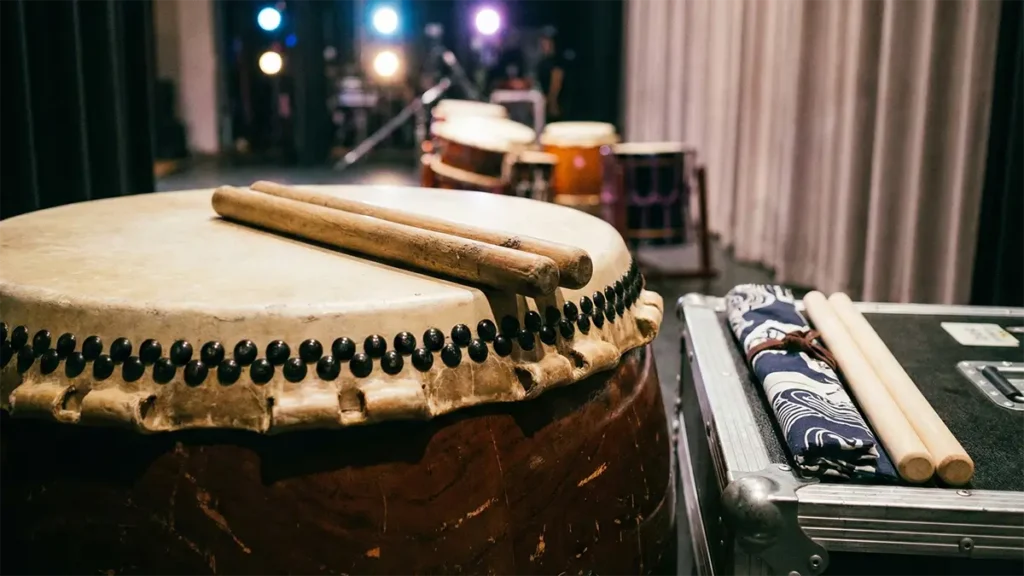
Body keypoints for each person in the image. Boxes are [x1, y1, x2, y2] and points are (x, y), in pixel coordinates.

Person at [536, 34, 565, 121]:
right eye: (542, 45)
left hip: (555, 101)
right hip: (545, 100)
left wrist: (551, 101)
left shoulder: (556, 61)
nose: (544, 47)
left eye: (546, 44)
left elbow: (556, 82)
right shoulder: (542, 62)